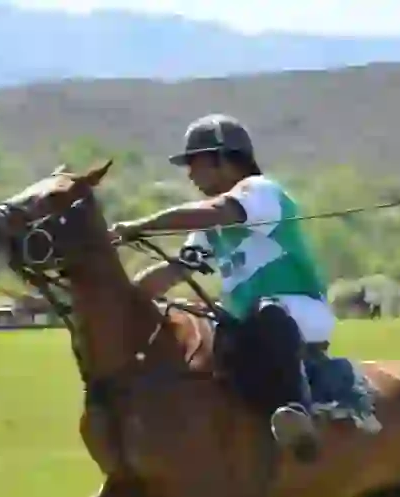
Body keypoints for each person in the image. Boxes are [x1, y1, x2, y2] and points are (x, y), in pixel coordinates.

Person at [112, 113, 332, 456]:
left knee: (266, 311)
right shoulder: (208, 229)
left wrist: (141, 225)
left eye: (195, 162)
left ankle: (298, 415)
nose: (190, 174)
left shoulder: (260, 192)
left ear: (224, 159)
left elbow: (216, 211)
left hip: (299, 314)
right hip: (246, 326)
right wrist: (122, 295)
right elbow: (172, 273)